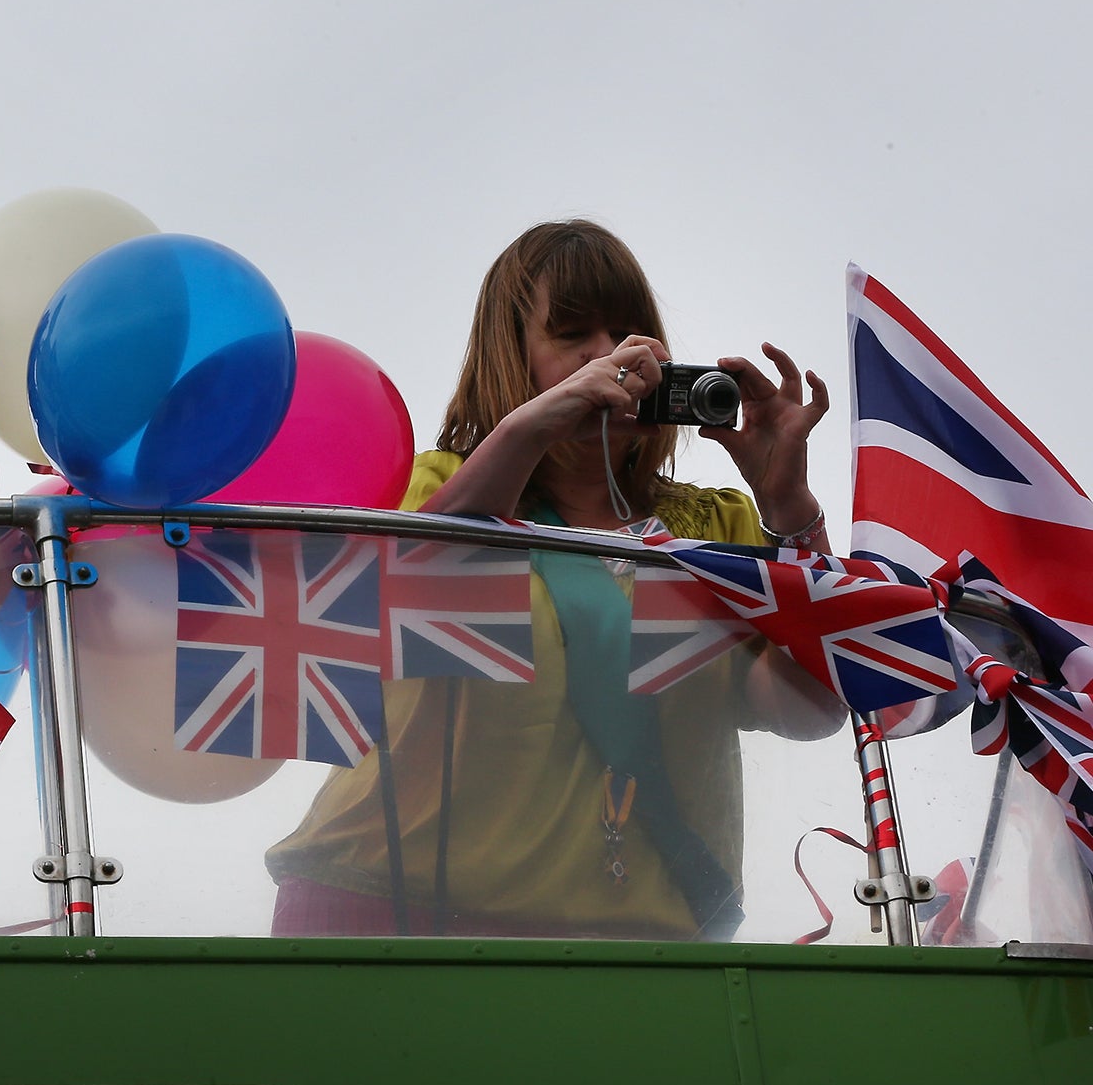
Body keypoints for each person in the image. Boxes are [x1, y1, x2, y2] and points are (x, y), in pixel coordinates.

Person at [265, 219, 845, 941]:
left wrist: (790, 509)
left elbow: (811, 711)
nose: (609, 355)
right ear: (512, 359)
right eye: (573, 335)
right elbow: (392, 601)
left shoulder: (717, 528)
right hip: (391, 917)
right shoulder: (432, 488)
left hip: (639, 949)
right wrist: (530, 429)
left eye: (628, 332)